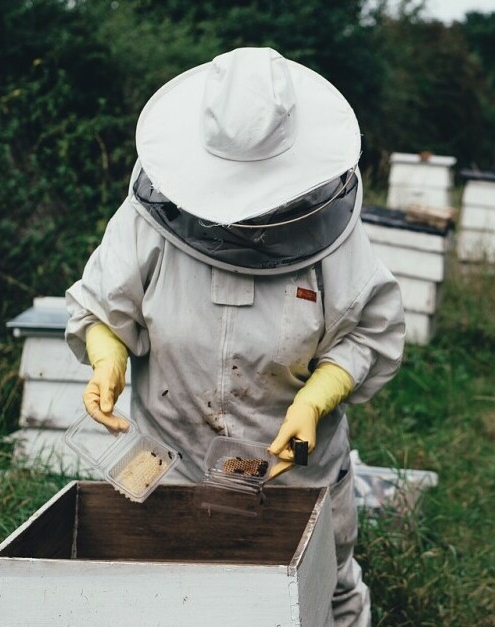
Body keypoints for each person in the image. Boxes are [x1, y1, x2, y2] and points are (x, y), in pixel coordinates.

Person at [64, 46, 405, 626]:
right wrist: (107, 359)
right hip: (164, 459)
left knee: (324, 591)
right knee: (174, 598)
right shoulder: (148, 220)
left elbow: (366, 335)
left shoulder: (333, 237)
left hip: (292, 468)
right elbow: (105, 306)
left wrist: (314, 399)